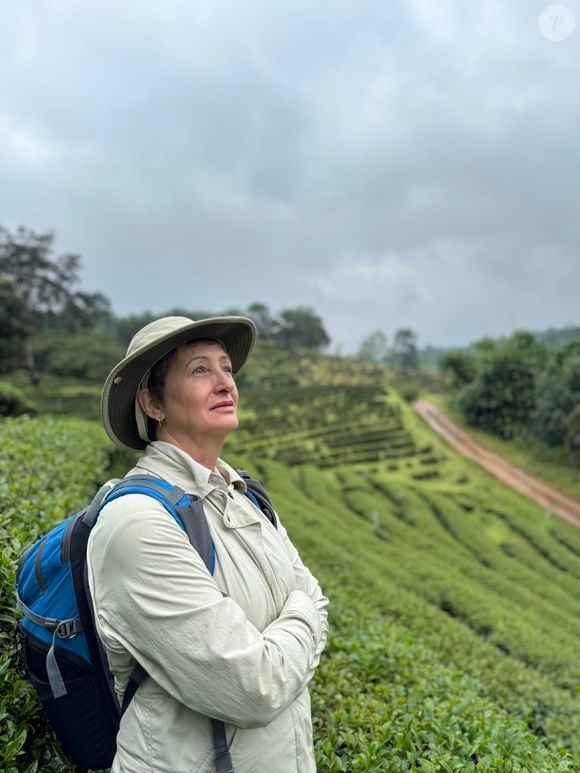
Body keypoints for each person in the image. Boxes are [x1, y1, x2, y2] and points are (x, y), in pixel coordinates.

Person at [88, 315, 329, 773]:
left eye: (227, 368)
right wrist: (303, 612)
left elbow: (315, 596)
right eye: (200, 370)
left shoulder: (243, 495)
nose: (224, 383)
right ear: (153, 403)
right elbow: (255, 688)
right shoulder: (137, 523)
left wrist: (289, 632)